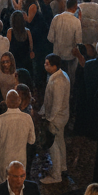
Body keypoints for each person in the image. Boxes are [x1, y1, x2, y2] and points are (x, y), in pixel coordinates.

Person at [0, 89, 37, 186]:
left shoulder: (0, 119)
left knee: (2, 187)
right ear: (19, 101)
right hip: (20, 160)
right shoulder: (27, 118)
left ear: (6, 102)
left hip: (3, 159)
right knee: (18, 188)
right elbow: (32, 141)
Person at [40, 54, 70, 183]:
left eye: (47, 64)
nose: (45, 66)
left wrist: (49, 118)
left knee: (54, 145)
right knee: (60, 141)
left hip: (56, 118)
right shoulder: (61, 75)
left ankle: (56, 175)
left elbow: (56, 103)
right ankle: (62, 166)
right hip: (62, 116)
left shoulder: (57, 82)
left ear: (54, 66)